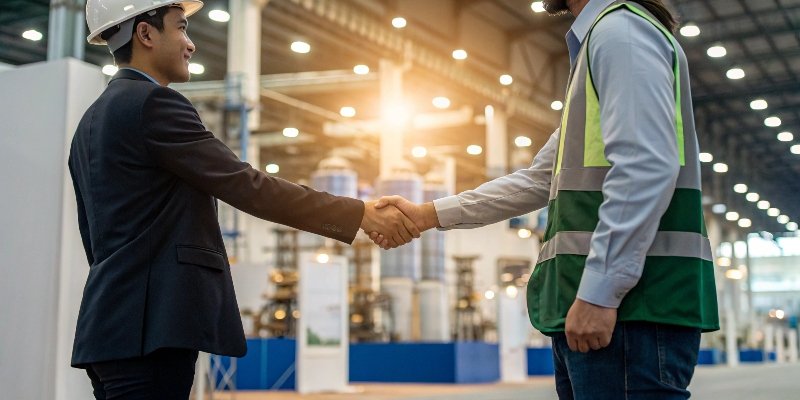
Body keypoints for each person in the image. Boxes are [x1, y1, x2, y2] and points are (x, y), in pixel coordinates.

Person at [70, 1, 419, 398]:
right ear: (145, 34)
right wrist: (357, 213)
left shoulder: (90, 122)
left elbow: (93, 236)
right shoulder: (153, 104)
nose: (191, 44)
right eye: (182, 28)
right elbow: (245, 184)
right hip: (153, 328)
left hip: (109, 324)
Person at [371, 0, 719, 398]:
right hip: (606, 313)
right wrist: (427, 214)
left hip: (630, 313)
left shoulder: (619, 32)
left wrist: (601, 291)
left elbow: (646, 165)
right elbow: (538, 179)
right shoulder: (601, 42)